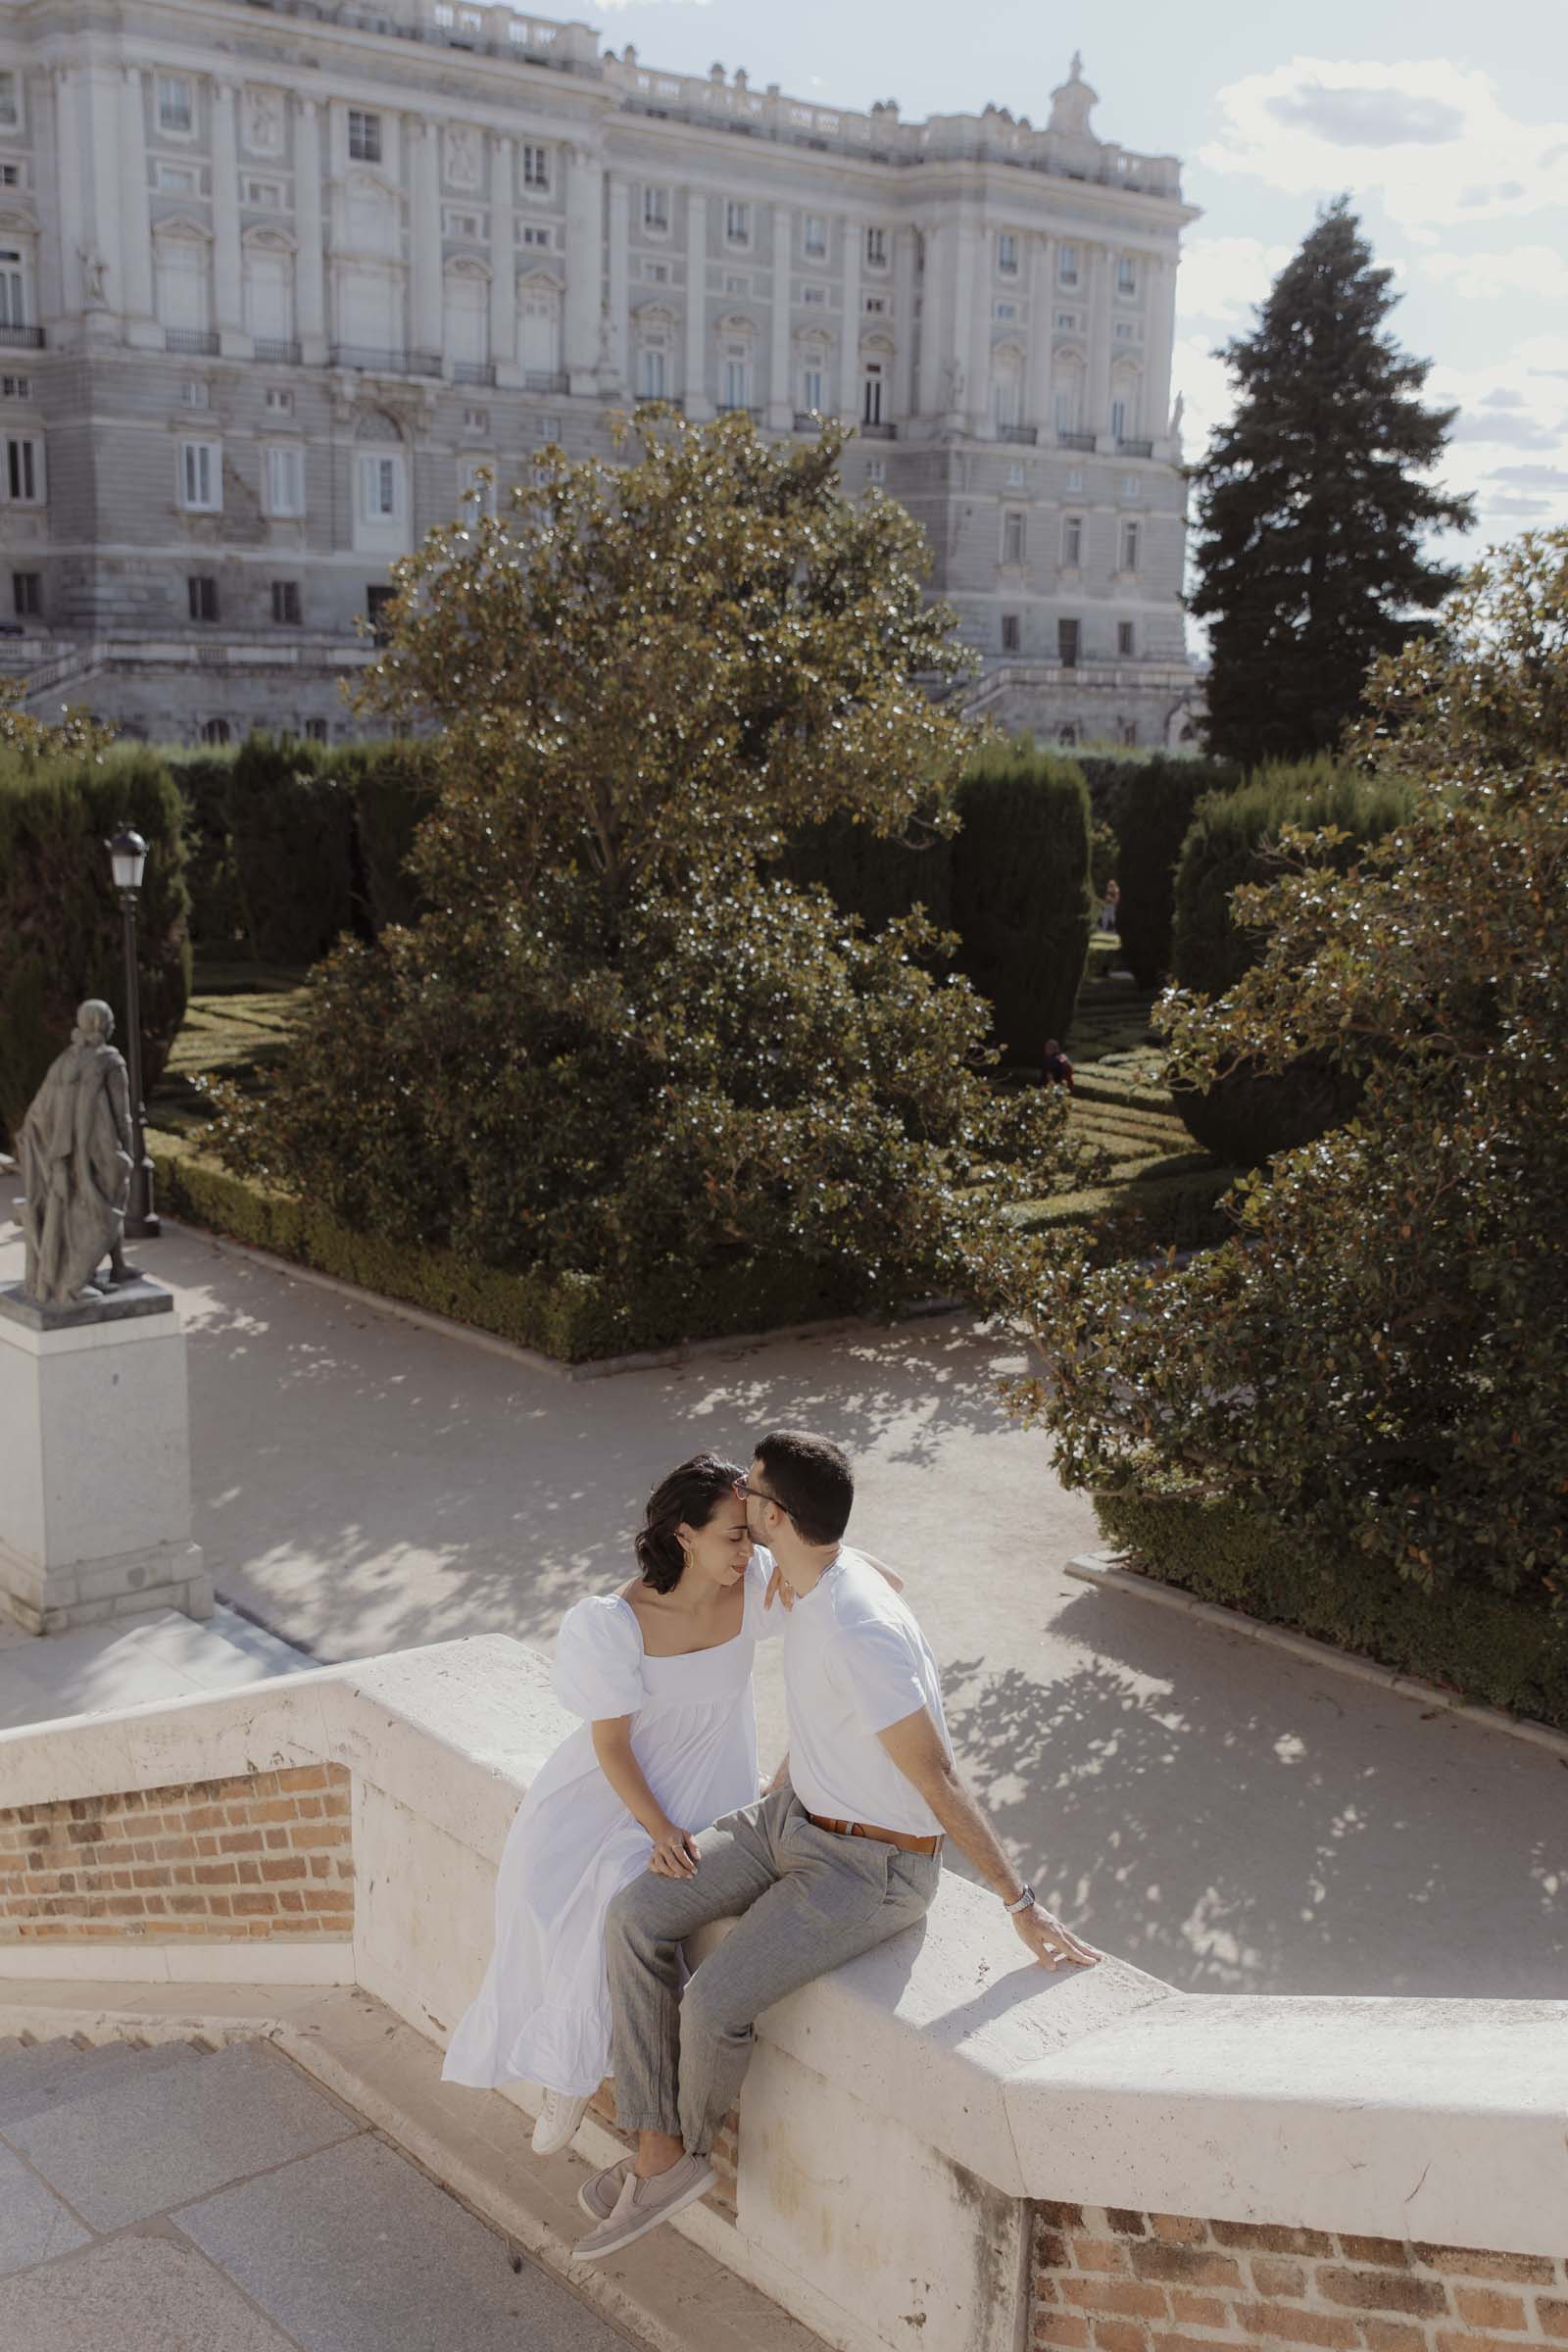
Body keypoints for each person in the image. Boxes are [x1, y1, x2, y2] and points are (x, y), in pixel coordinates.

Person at [570, 1431, 1099, 2262]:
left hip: (873, 1867)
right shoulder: (812, 1578)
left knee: (713, 2001)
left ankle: (676, 2157)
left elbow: (939, 1780)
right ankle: (655, 2143)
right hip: (794, 1820)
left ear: (775, 1515)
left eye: (748, 1490)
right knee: (635, 1913)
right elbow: (874, 1596)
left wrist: (1020, 1903)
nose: (737, 1497)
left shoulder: (861, 1630)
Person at [440, 1454, 767, 2154]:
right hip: (615, 1793)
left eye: (754, 1533)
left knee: (620, 1898)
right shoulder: (614, 1623)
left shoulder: (762, 1580)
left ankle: (572, 2072)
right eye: (734, 1534)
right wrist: (659, 1828)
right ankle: (568, 2072)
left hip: (715, 1787)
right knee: (550, 1901)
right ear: (684, 1535)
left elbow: (869, 1582)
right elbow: (612, 1745)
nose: (749, 1548)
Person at [15, 999, 134, 1306]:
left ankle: (99, 1272)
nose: (114, 1026)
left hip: (64, 1154)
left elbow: (37, 1112)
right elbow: (123, 1116)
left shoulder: (66, 1060)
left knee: (82, 1211)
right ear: (103, 1025)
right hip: (98, 1152)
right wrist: (128, 1151)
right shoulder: (110, 1061)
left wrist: (48, 1149)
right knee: (104, 1211)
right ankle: (74, 1284)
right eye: (110, 1021)